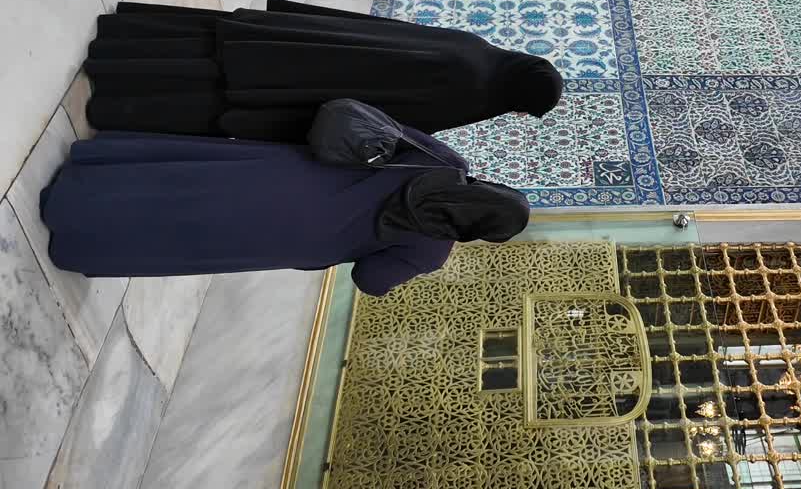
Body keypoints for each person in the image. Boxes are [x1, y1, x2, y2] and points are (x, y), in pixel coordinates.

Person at [39, 126, 529, 296]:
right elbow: (370, 280)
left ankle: (84, 177)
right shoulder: (430, 251)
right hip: (292, 234)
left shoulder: (449, 164)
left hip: (296, 174)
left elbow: (393, 132)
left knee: (187, 181)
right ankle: (77, 233)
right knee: (181, 230)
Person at [83, 0, 564, 143]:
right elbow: (394, 123)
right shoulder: (475, 95)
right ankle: (112, 88)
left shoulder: (478, 48)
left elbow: (380, 33)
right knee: (219, 89)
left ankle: (119, 42)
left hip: (312, 46)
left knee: (220, 49)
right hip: (310, 85)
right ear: (519, 102)